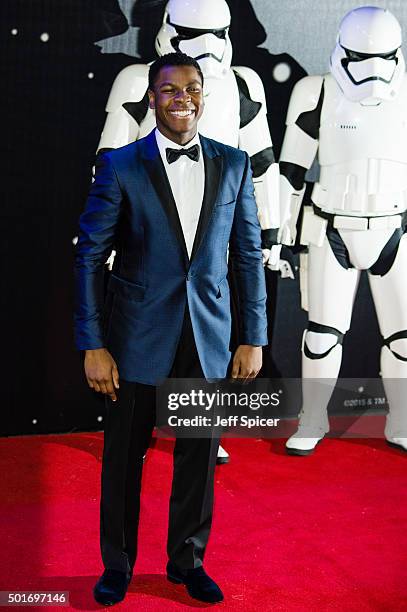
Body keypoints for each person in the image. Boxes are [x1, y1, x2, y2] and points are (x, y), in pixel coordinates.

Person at [74, 52, 268, 605]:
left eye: (192, 88)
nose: (182, 98)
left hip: (206, 337)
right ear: (152, 97)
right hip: (135, 337)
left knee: (198, 460)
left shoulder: (233, 164)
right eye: (169, 89)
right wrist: (93, 344)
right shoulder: (122, 164)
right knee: (123, 462)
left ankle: (187, 562)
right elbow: (90, 258)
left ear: (204, 96)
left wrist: (253, 335)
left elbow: (248, 255)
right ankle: (118, 566)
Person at [97, 0, 281, 464]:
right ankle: (134, 432)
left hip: (212, 242)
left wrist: (271, 236)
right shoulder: (140, 80)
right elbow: (109, 159)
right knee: (143, 339)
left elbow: (261, 164)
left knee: (204, 341)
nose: (207, 47)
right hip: (148, 239)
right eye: (194, 33)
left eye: (217, 33)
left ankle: (197, 431)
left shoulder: (242, 84)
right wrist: (109, 231)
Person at [278, 6, 407, 455]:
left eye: (383, 59)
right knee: (321, 335)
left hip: (396, 227)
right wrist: (277, 235)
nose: (373, 73)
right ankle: (312, 418)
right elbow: (291, 169)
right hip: (332, 227)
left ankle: (402, 420)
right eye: (361, 59)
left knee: (404, 338)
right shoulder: (316, 92)